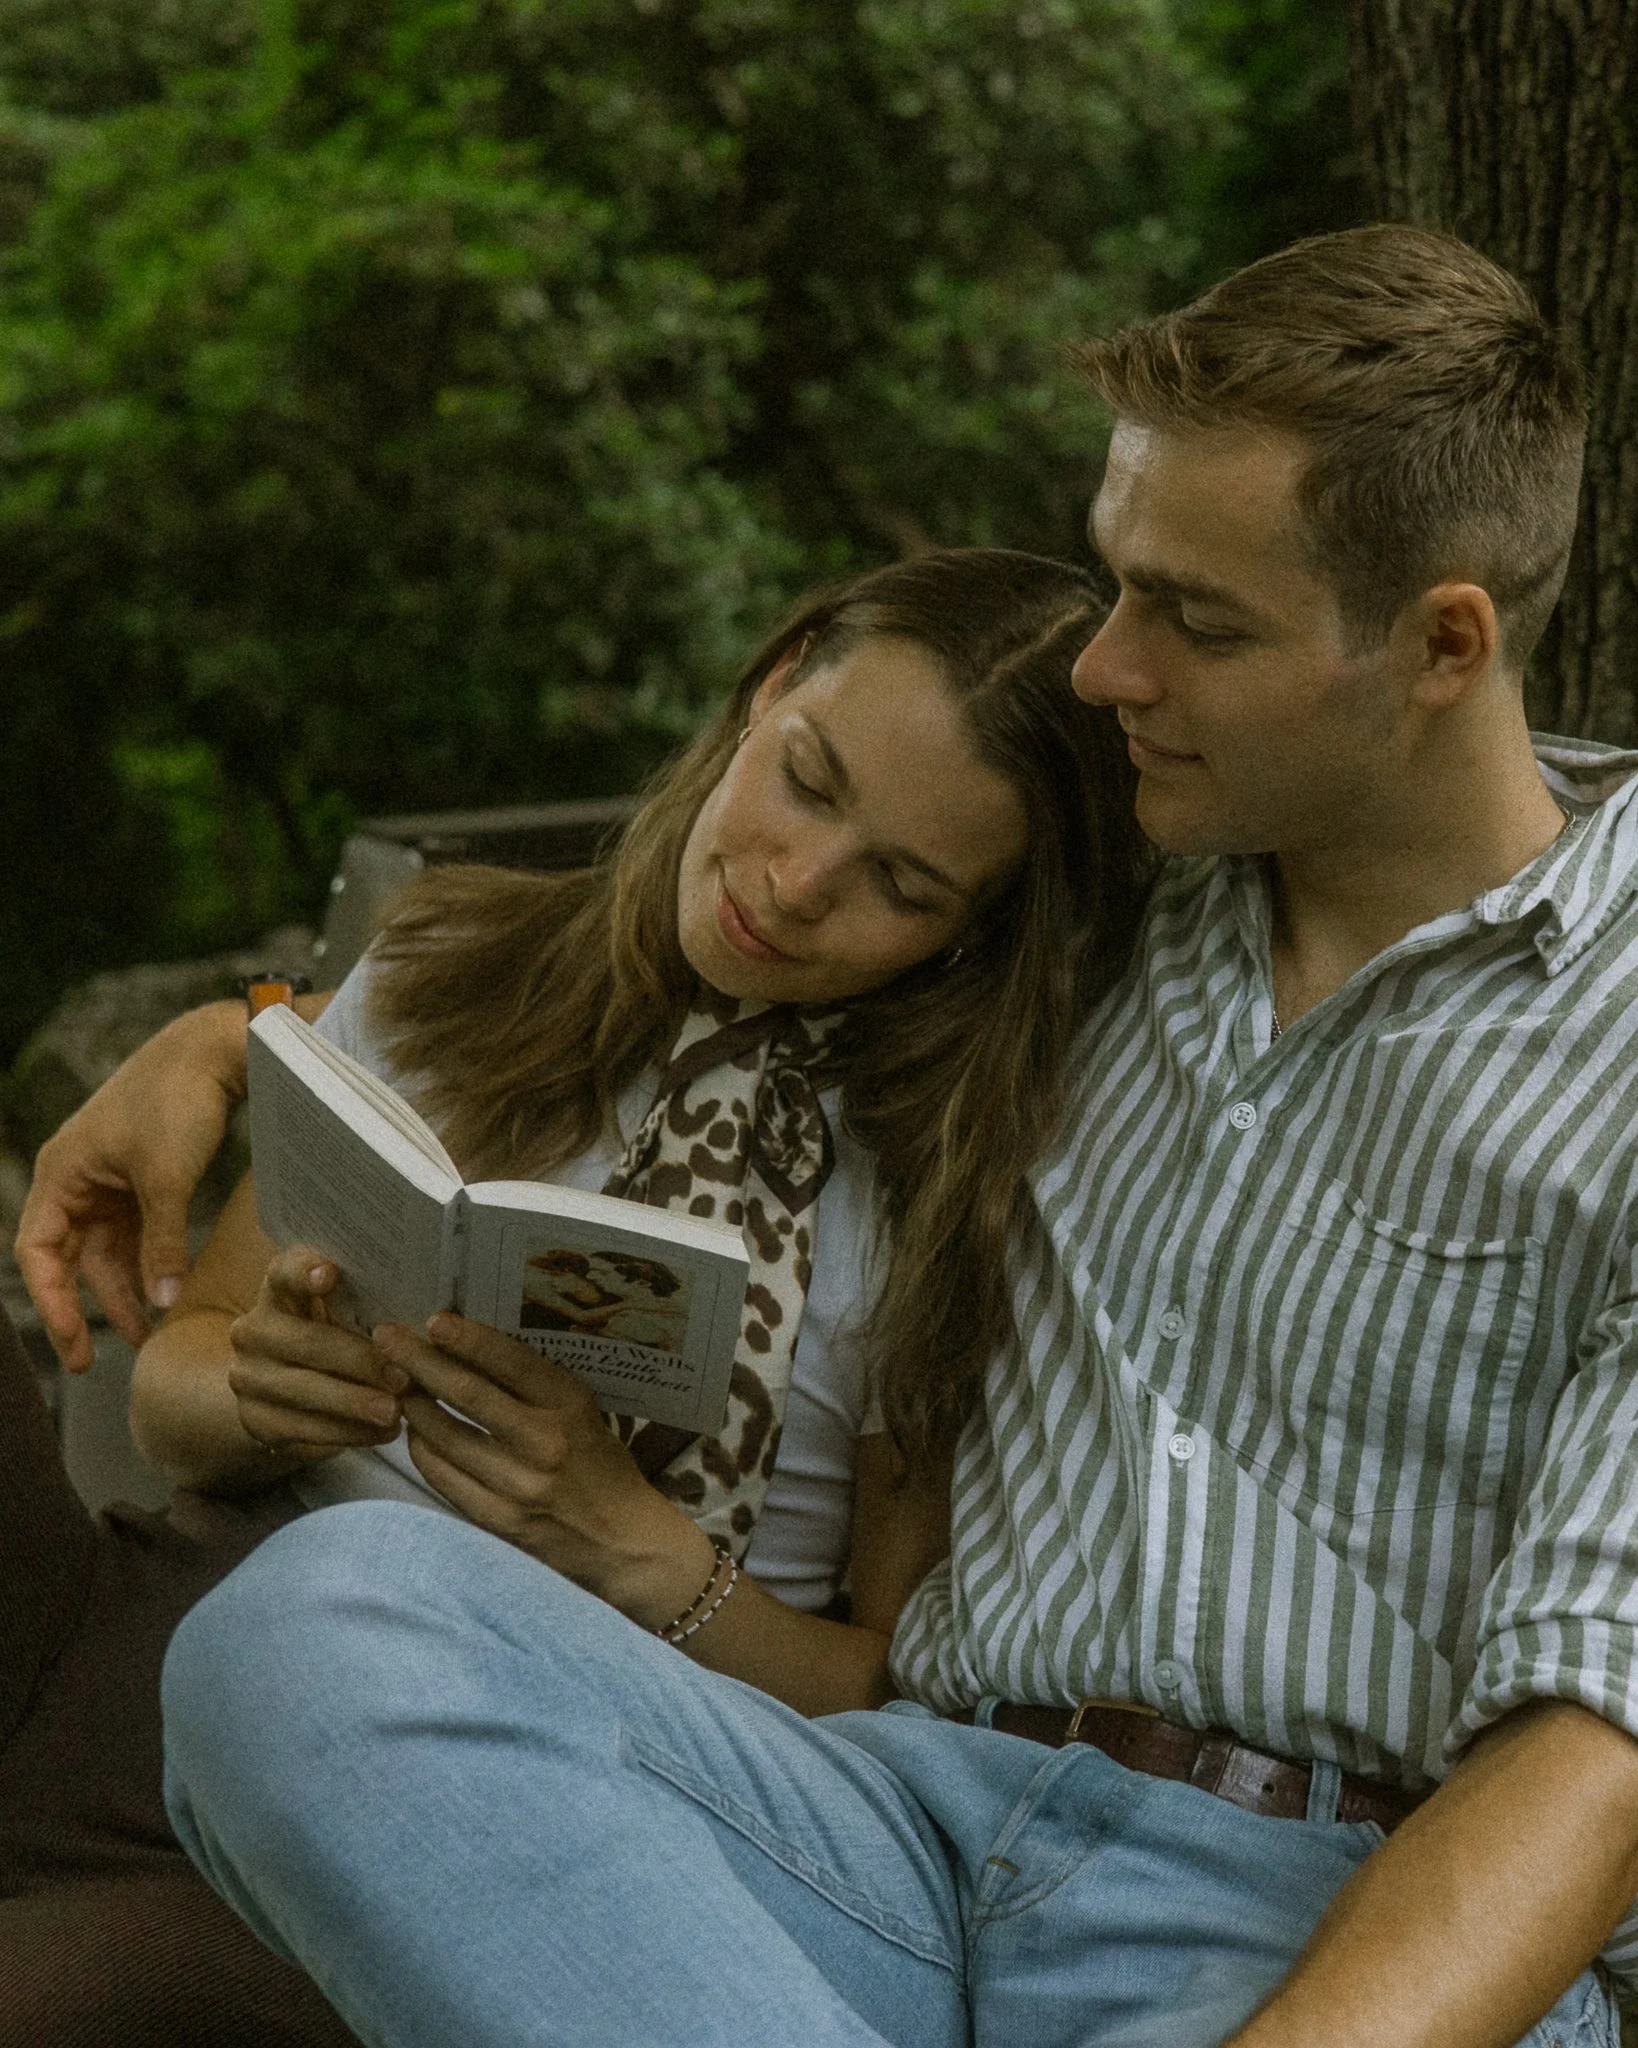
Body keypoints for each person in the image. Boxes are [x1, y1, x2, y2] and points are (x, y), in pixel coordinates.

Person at [127, 223, 1638, 2047]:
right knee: (320, 1627)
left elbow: (1601, 1739)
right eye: (1114, 584)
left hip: (1316, 1909)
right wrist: (215, 1043)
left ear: (1439, 645)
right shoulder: (1083, 907)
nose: (1105, 671)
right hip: (902, 1828)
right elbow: (696, 903)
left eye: (1195, 619)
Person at [2, 547, 1149, 2038]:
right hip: (130, 1637)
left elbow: (902, 1709)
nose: (795, 888)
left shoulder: (949, 1199)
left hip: (437, 1789)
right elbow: (171, 1401)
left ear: (969, 933)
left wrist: (640, 1556)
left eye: (903, 885)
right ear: (767, 685)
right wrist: (259, 1389)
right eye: (805, 780)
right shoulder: (447, 966)